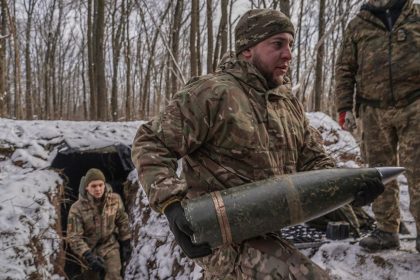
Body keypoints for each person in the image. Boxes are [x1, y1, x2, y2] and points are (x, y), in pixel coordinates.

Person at [132, 9, 383, 279]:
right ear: (248, 49)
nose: (288, 54)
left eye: (290, 44)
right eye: (277, 44)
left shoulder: (286, 102)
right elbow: (151, 143)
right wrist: (171, 204)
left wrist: (346, 186)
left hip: (267, 229)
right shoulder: (212, 94)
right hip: (220, 236)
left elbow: (312, 159)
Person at [335, 0, 420, 252]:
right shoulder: (357, 25)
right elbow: (344, 68)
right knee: (379, 173)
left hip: (415, 104)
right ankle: (386, 230)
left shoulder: (415, 16)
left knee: (418, 169)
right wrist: (344, 108)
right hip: (373, 109)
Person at [67, 168, 132, 280]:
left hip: (110, 246)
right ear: (87, 187)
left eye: (100, 185)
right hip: (88, 250)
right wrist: (88, 256)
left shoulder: (114, 200)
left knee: (114, 276)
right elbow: (74, 236)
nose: (98, 189)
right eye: (93, 186)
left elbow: (122, 220)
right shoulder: (77, 208)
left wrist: (126, 241)